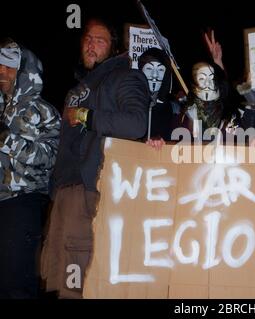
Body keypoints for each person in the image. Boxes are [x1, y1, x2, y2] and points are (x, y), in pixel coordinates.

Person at [41, 19, 150, 298]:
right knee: (60, 280)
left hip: (91, 190)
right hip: (65, 193)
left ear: (114, 48)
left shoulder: (124, 76)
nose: (91, 44)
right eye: (87, 39)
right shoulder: (79, 88)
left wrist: (89, 117)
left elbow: (137, 123)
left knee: (80, 283)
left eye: (100, 40)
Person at [0, 39, 61, 298]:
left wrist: (7, 140)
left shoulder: (43, 112)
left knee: (15, 281)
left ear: (26, 71)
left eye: (10, 67)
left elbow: (50, 158)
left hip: (22, 202)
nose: (2, 72)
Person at [138, 47, 175, 149]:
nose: (155, 75)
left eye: (160, 70)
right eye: (149, 68)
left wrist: (160, 140)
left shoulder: (168, 108)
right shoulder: (131, 101)